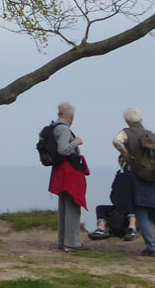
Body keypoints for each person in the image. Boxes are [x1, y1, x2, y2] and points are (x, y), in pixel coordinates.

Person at [114, 108, 155, 256]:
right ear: (141, 120)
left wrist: (126, 154)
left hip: (136, 176)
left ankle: (152, 247)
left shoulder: (125, 133)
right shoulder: (152, 135)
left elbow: (116, 142)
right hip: (153, 175)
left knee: (141, 212)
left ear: (127, 121)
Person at [47, 102, 90, 252]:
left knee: (64, 206)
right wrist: (76, 143)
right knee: (72, 206)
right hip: (69, 170)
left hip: (60, 171)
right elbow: (63, 149)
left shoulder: (53, 127)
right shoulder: (64, 129)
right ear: (71, 115)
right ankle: (72, 243)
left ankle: (63, 241)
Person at [87, 160, 138, 241]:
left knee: (131, 208)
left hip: (131, 207)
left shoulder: (134, 176)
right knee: (100, 208)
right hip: (119, 206)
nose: (122, 164)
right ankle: (101, 228)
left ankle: (132, 229)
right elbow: (113, 191)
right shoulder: (119, 175)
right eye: (121, 161)